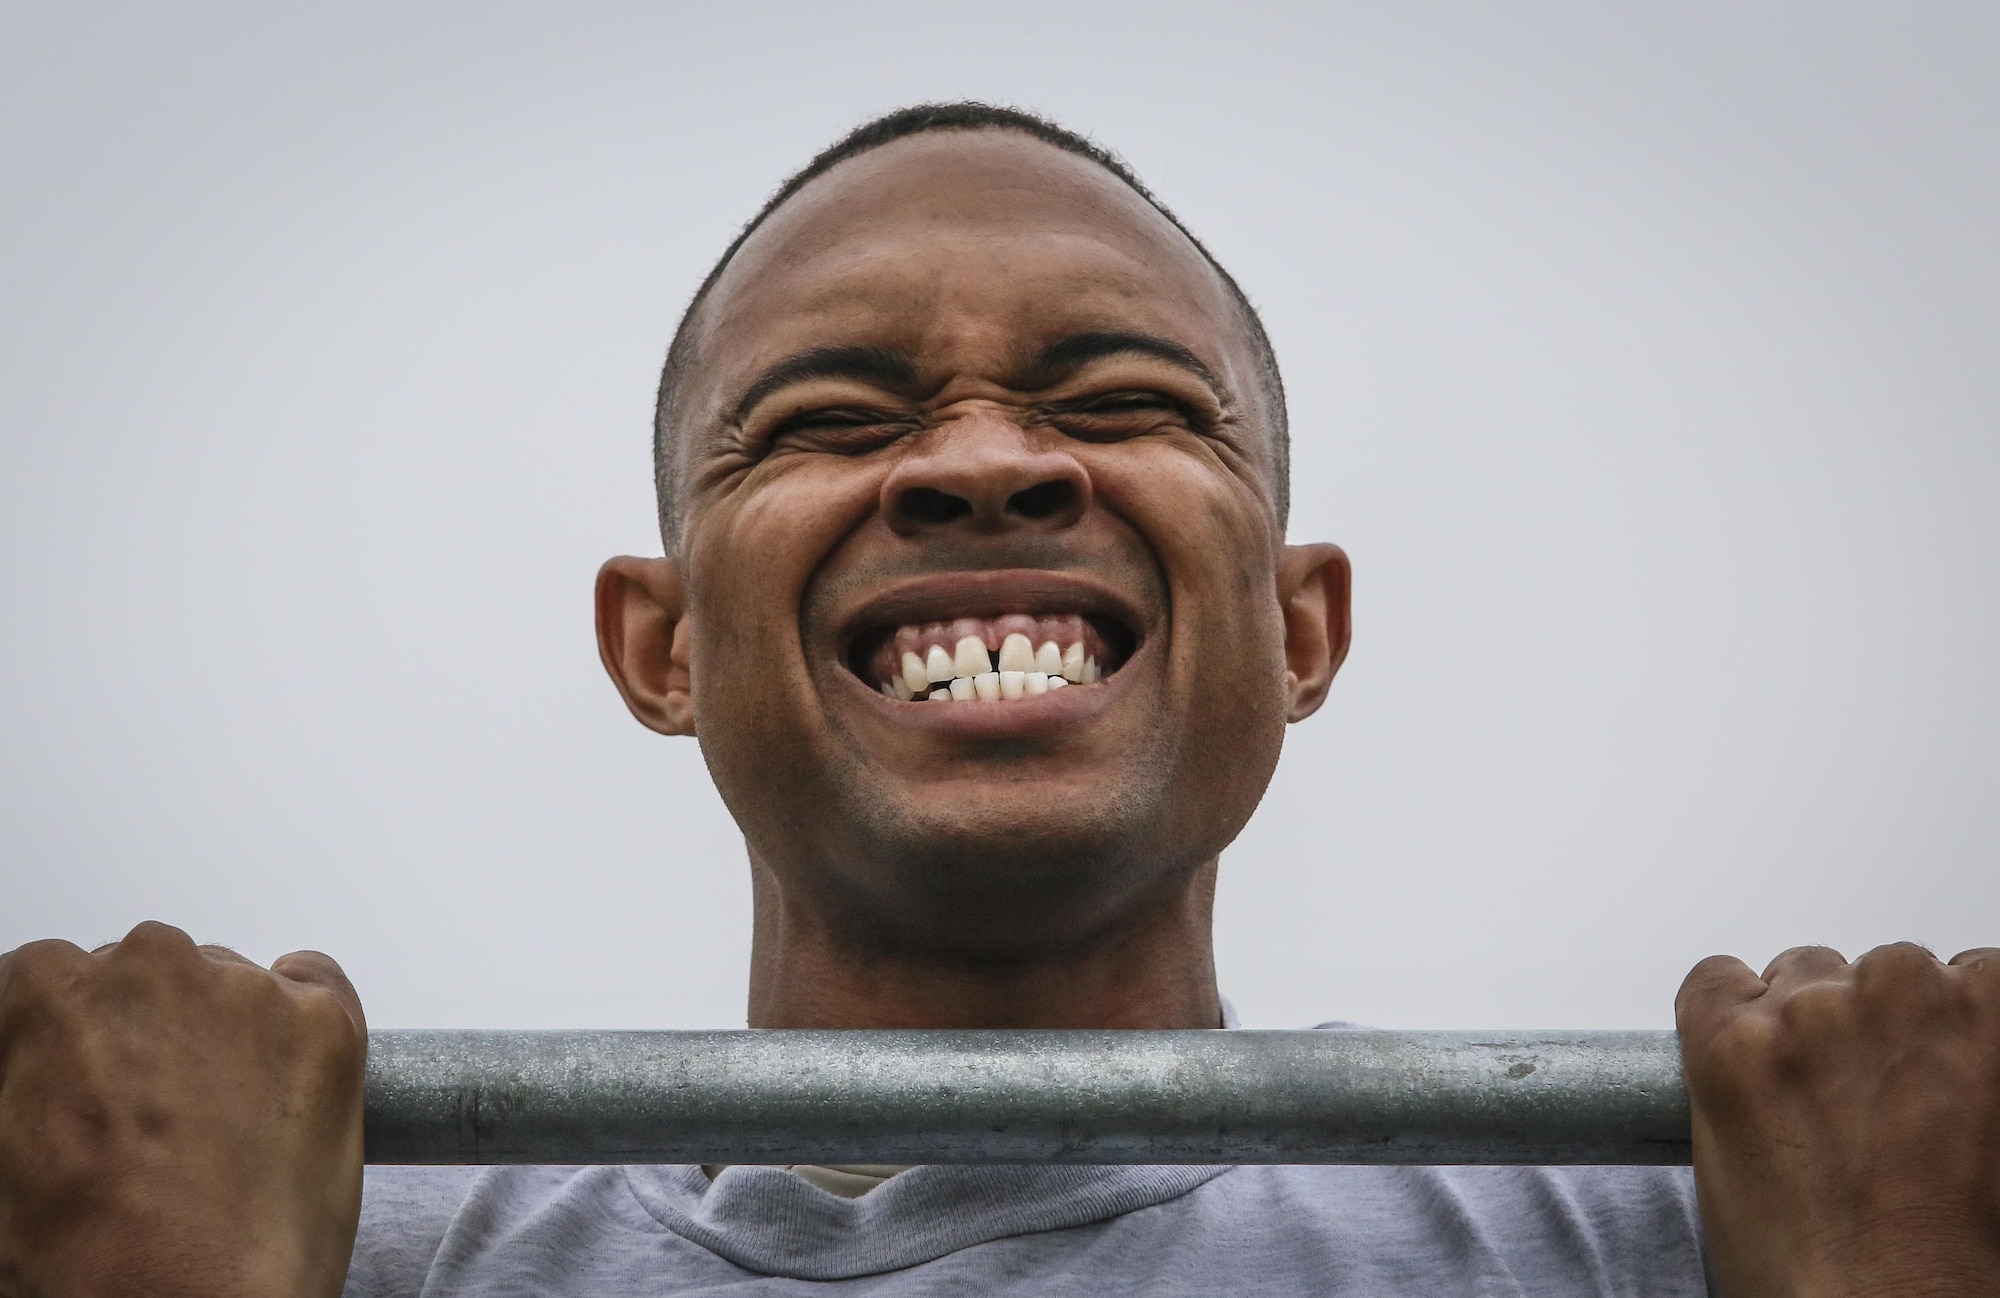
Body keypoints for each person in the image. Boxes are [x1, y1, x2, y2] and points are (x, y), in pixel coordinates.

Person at [1, 101, 1996, 1298]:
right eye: (827, 416)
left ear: (1299, 629)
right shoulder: (275, 1232)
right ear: (661, 641)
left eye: (1120, 401)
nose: (977, 460)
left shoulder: (1713, 1230)